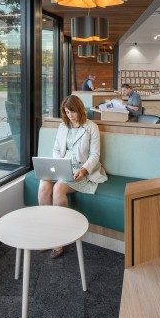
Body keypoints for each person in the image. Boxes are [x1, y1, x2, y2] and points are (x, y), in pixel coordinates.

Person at [37, 94, 107, 258]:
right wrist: (57, 165)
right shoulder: (63, 127)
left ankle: (58, 239)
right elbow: (56, 149)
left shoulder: (91, 127)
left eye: (73, 112)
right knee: (43, 185)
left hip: (82, 171)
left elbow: (95, 155)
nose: (70, 116)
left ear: (80, 109)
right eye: (67, 112)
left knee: (59, 188)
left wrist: (83, 170)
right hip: (62, 166)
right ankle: (47, 234)